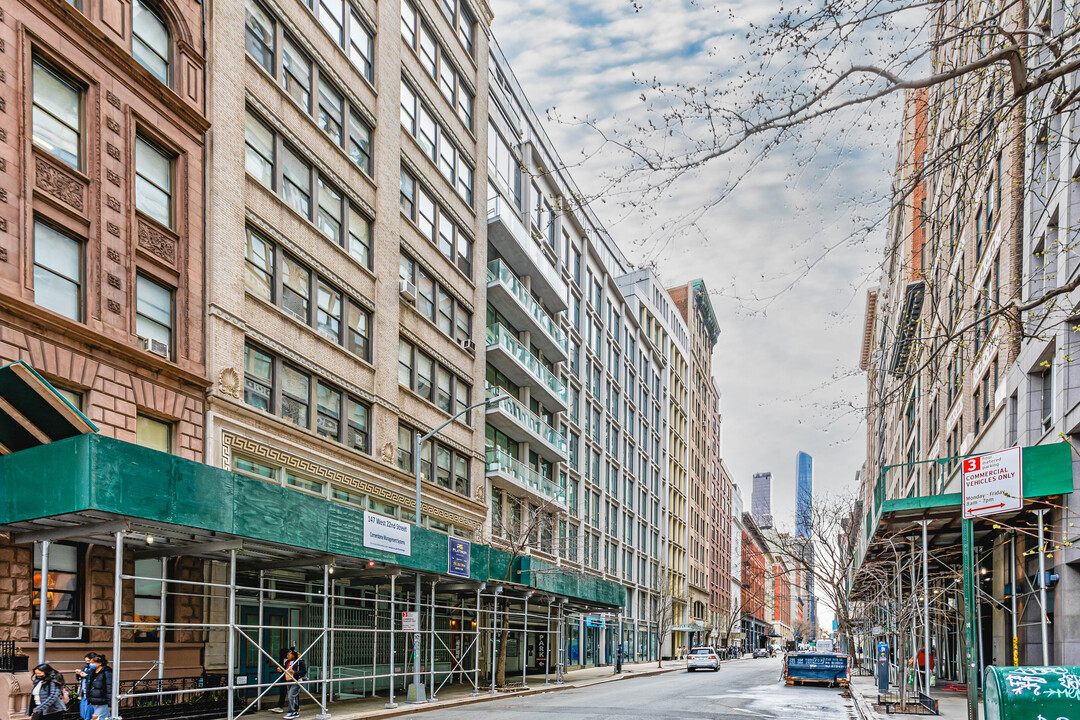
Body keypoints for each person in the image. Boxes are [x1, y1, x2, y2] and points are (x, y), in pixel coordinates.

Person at [84, 654, 113, 720]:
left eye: (92, 663)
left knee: (95, 717)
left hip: (102, 700)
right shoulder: (92, 672)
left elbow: (109, 687)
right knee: (104, 717)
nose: (90, 664)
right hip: (94, 700)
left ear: (99, 663)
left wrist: (109, 701)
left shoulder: (107, 672)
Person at [280, 648, 306, 720]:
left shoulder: (299, 662)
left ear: (293, 655)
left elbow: (303, 672)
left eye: (288, 655)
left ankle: (291, 711)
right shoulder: (287, 662)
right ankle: (295, 711)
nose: (287, 656)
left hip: (296, 680)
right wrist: (281, 669)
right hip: (289, 680)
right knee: (293, 696)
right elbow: (286, 670)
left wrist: (295, 672)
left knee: (291, 695)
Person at [75, 653, 97, 720]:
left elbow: (96, 679)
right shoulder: (86, 667)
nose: (87, 663)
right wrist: (79, 674)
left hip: (91, 695)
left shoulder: (97, 668)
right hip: (85, 693)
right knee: (84, 714)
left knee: (90, 715)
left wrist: (86, 676)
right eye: (86, 661)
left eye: (88, 661)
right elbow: (80, 678)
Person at [270, 649, 291, 714]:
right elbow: (282, 666)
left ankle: (295, 706)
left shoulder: (292, 660)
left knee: (293, 692)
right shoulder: (283, 659)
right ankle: (280, 706)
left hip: (290, 678)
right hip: (283, 677)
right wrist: (279, 669)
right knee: (283, 691)